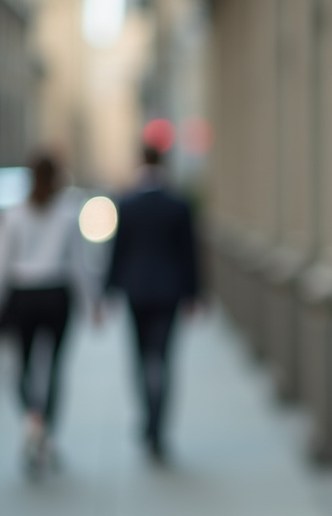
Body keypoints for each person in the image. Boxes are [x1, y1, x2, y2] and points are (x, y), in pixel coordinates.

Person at [103, 144, 201, 462]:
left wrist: (109, 289)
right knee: (163, 359)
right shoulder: (178, 204)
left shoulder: (127, 203)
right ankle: (158, 427)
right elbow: (190, 253)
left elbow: (118, 250)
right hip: (169, 291)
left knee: (141, 357)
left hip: (137, 291)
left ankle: (148, 420)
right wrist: (194, 293)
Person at [0, 150, 95, 477]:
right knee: (53, 367)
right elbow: (81, 265)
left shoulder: (15, 215)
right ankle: (45, 430)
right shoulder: (68, 213)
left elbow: (3, 264)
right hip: (56, 294)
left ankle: (32, 419)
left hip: (23, 294)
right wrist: (90, 302)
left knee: (22, 367)